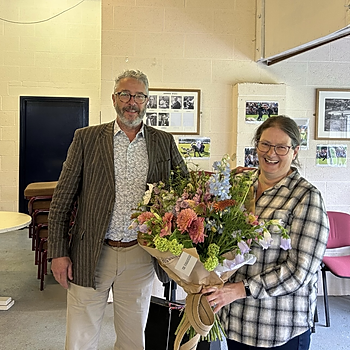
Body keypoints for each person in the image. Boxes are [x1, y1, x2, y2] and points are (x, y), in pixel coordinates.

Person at [47, 69, 188, 350]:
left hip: (140, 253)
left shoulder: (163, 142)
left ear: (147, 101)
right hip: (90, 253)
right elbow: (62, 198)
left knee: (133, 337)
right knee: (80, 337)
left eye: (138, 96)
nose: (131, 102)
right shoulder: (86, 139)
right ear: (114, 98)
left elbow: (185, 192)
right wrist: (58, 252)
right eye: (125, 94)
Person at [202, 115, 329, 350]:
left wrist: (241, 289)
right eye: (265, 144)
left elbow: (299, 272)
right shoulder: (240, 184)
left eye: (281, 147)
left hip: (276, 327)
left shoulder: (306, 197)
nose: (271, 153)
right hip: (234, 321)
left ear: (295, 151)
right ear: (257, 145)